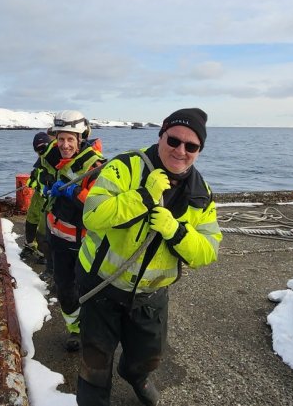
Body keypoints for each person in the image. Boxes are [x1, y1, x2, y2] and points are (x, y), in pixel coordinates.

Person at [75, 108, 221, 406]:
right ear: (161, 136)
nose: (180, 151)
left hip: (150, 296)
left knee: (147, 358)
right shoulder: (125, 166)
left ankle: (135, 375)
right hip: (102, 285)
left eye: (191, 146)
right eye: (173, 140)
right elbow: (92, 215)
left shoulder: (200, 192)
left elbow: (208, 251)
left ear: (199, 151)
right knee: (94, 365)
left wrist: (176, 231)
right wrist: (142, 195)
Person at [42, 110, 105, 352]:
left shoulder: (96, 167)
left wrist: (72, 193)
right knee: (64, 285)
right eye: (61, 139)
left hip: (84, 241)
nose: (65, 145)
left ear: (81, 139)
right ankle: (74, 328)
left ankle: (90, 329)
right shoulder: (56, 161)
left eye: (70, 139)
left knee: (89, 288)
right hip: (57, 237)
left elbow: (100, 205)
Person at [21, 131, 54, 264]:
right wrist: (33, 181)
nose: (40, 152)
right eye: (38, 150)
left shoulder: (54, 160)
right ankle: (29, 245)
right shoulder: (40, 162)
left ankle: (42, 254)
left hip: (48, 200)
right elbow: (35, 179)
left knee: (43, 228)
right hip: (38, 197)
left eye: (42, 148)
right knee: (31, 220)